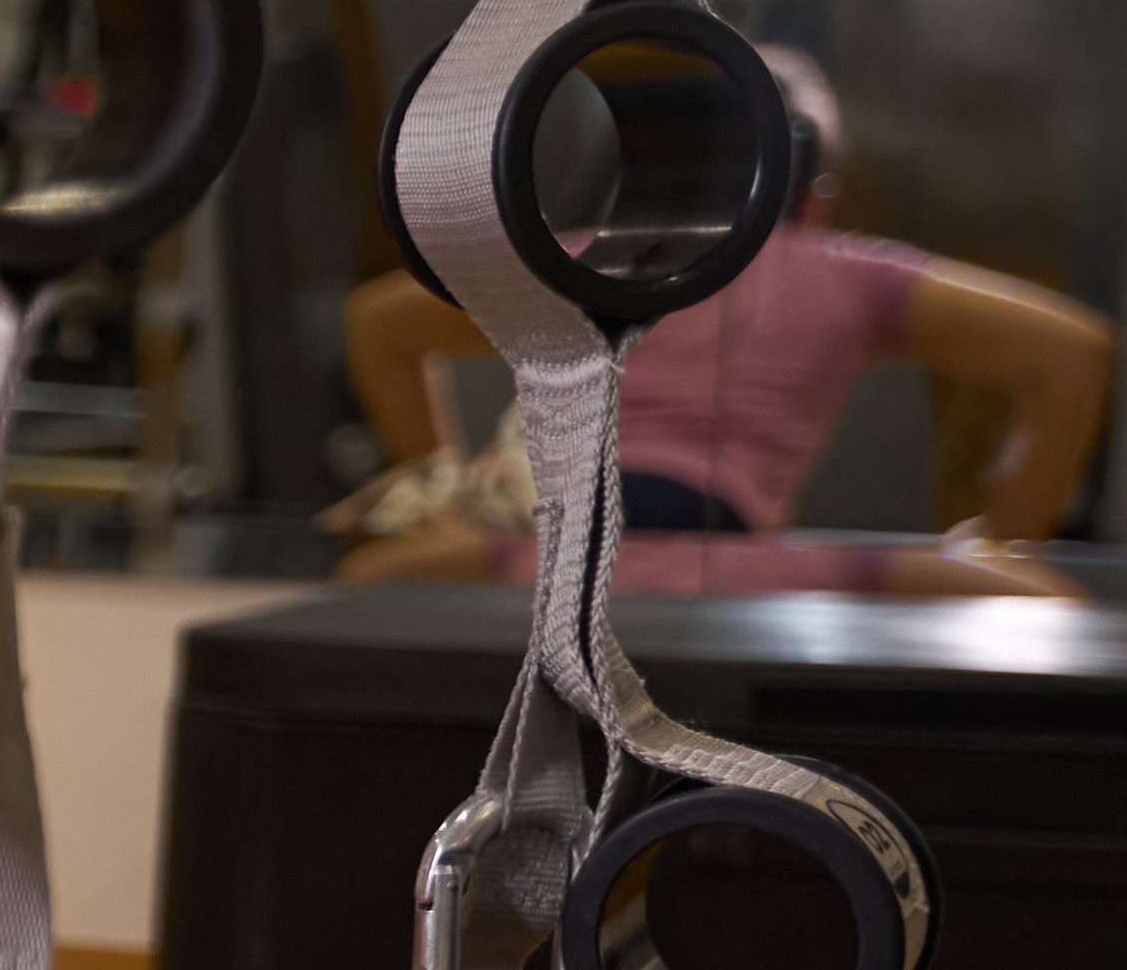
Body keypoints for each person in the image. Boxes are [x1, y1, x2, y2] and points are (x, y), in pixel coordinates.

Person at [343, 45, 1109, 598]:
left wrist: (446, 505)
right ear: (812, 178)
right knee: (1032, 600)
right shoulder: (843, 271)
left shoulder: (584, 260)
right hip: (717, 552)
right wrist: (1006, 539)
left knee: (370, 579)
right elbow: (1074, 351)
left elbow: (382, 323)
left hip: (553, 548)